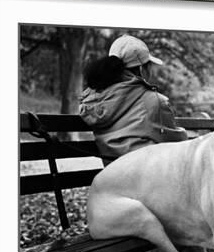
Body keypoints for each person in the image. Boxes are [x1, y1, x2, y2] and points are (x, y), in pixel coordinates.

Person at [79, 35, 188, 165]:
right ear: (141, 69)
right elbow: (178, 143)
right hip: (144, 177)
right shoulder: (155, 101)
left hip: (111, 175)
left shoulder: (95, 100)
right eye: (149, 65)